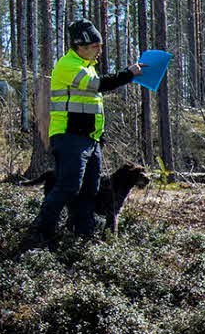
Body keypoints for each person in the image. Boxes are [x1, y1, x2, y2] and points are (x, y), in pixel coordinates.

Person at [34, 20, 139, 243]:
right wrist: (128, 74)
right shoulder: (68, 65)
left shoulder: (86, 65)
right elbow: (97, 85)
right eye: (95, 47)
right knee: (68, 186)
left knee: (90, 189)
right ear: (80, 46)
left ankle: (83, 235)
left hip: (89, 139)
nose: (100, 51)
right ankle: (40, 232)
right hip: (69, 137)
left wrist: (98, 136)